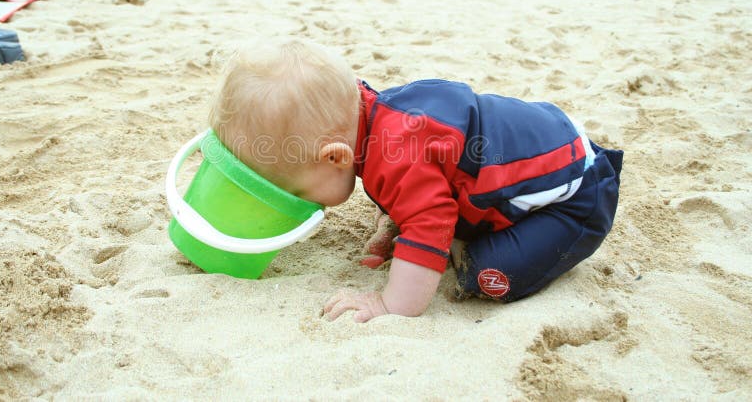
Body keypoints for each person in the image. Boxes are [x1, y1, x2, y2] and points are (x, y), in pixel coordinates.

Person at [209, 41, 623, 322]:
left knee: (488, 274)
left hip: (576, 194)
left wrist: (387, 303)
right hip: (549, 138)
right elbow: (426, 179)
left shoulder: (398, 157)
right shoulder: (373, 120)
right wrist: (395, 220)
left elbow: (429, 218)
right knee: (428, 205)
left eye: (295, 191)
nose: (298, 200)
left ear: (334, 157)